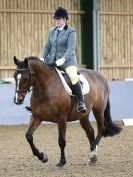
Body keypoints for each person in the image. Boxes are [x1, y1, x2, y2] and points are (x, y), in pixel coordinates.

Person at [26, 7, 87, 113]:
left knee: (73, 77)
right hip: (51, 61)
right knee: (38, 75)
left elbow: (70, 48)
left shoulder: (71, 31)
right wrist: (41, 58)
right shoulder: (52, 31)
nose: (57, 21)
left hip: (67, 61)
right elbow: (47, 47)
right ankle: (34, 103)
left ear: (65, 19)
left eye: (59, 19)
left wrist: (63, 59)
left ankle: (81, 102)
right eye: (56, 19)